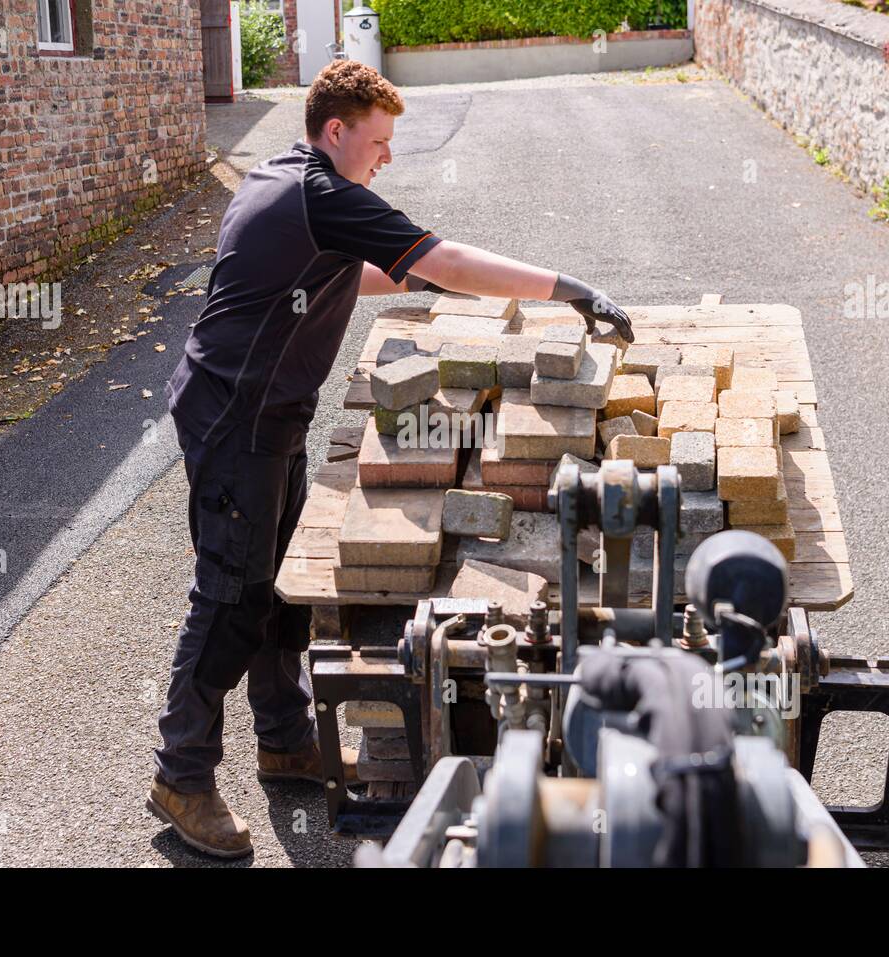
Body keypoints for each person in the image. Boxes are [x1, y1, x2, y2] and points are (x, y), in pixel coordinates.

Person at [148, 59, 633, 859]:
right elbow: (437, 258)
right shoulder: (324, 194)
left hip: (251, 409)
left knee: (278, 585)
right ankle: (182, 772)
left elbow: (354, 271)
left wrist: (435, 284)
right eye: (377, 142)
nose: (386, 157)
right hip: (237, 417)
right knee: (231, 593)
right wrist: (569, 289)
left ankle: (284, 737)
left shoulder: (287, 178)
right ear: (335, 132)